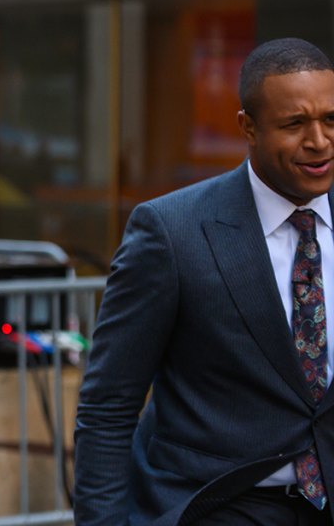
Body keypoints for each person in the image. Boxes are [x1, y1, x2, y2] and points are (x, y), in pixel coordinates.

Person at [74, 37, 334, 525]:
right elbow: (108, 407)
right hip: (216, 506)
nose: (318, 141)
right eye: (295, 124)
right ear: (248, 127)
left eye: (331, 119)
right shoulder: (172, 232)